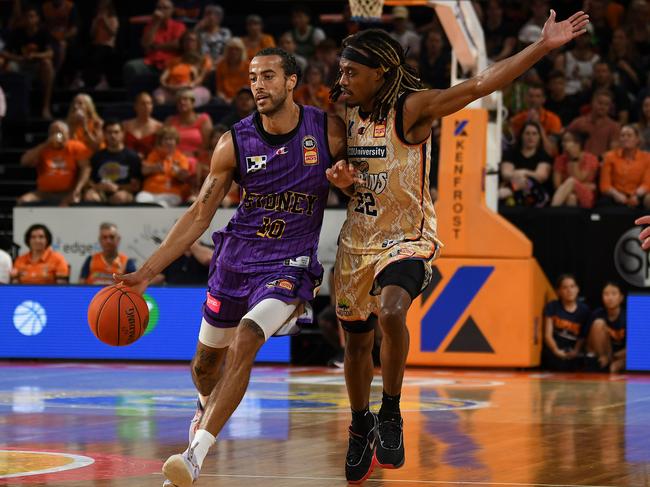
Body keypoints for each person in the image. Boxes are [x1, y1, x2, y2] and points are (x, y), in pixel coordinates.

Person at [324, 10, 588, 482]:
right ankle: (360, 423)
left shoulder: (412, 107)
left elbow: (478, 85)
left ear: (380, 72)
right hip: (356, 243)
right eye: (340, 71)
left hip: (408, 238)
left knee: (390, 312)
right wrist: (342, 181)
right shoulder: (343, 114)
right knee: (357, 345)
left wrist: (542, 47)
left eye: (351, 72)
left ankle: (390, 413)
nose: (341, 79)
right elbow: (353, 182)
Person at [114, 47, 346, 487]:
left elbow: (361, 184)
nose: (257, 84)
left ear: (292, 81)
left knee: (249, 336)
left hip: (290, 263)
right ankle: (207, 403)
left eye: (268, 76)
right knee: (204, 366)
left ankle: (194, 454)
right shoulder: (233, 141)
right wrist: (145, 273)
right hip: (236, 262)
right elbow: (199, 215)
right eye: (253, 77)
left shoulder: (325, 130)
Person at [18, 120, 92, 206]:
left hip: (67, 192)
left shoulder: (76, 147)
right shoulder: (43, 148)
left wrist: (77, 189)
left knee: (72, 202)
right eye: (53, 132)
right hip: (44, 193)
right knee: (23, 201)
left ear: (68, 134)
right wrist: (46, 144)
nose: (57, 136)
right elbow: (24, 161)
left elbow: (86, 168)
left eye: (60, 132)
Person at [0, 6, 55, 119]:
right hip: (21, 64)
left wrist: (35, 55)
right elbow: (4, 52)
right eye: (27, 17)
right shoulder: (17, 32)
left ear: (37, 19)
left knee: (48, 65)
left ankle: (45, 106)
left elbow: (50, 53)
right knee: (7, 65)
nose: (29, 19)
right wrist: (18, 58)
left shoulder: (43, 33)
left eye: (32, 16)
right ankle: (9, 105)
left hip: (36, 65)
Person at [122, 0, 186, 90]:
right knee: (131, 67)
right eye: (159, 8)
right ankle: (133, 100)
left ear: (172, 11)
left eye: (165, 8)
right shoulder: (150, 26)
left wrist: (155, 47)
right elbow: (145, 44)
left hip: (171, 62)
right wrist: (156, 23)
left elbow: (177, 44)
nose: (161, 10)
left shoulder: (179, 26)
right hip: (152, 61)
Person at [83, 120, 142, 205]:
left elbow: (136, 186)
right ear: (104, 134)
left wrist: (118, 187)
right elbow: (89, 182)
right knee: (90, 196)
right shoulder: (97, 156)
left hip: (124, 193)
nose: (113, 136)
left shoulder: (132, 157)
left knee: (119, 197)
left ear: (122, 134)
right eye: (109, 132)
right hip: (100, 192)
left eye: (116, 132)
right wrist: (98, 187)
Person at [542, 274, 591, 371]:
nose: (569, 290)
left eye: (572, 286)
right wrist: (556, 350)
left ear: (577, 289)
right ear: (558, 291)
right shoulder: (552, 307)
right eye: (565, 287)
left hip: (574, 354)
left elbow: (583, 336)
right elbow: (547, 335)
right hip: (555, 351)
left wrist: (576, 351)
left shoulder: (584, 310)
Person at [499, 121, 552, 207]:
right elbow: (505, 174)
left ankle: (510, 190)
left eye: (534, 134)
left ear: (539, 137)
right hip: (515, 194)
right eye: (527, 133)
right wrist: (520, 176)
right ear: (521, 136)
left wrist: (524, 172)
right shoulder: (511, 153)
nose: (531, 137)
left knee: (529, 182)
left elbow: (541, 177)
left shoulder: (543, 156)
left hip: (536, 195)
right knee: (522, 181)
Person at [136, 125, 191, 207]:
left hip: (171, 193)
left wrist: (178, 173)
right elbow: (144, 171)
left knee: (161, 205)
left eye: (171, 139)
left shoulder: (181, 158)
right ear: (160, 142)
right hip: (150, 192)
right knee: (140, 199)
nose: (168, 142)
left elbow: (184, 177)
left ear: (176, 141)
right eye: (166, 139)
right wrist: (154, 168)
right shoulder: (154, 154)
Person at [153, 30, 212, 106]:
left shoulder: (205, 60)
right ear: (182, 43)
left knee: (189, 99)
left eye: (192, 40)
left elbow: (200, 78)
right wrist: (168, 87)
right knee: (159, 98)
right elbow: (163, 78)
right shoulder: (174, 61)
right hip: (171, 89)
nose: (189, 43)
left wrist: (187, 86)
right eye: (186, 40)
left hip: (192, 89)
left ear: (198, 43)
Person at [598, 125, 650, 209]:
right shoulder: (609, 156)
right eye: (622, 135)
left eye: (629, 135)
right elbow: (605, 185)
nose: (625, 138)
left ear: (637, 139)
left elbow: (647, 184)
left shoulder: (647, 158)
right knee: (603, 203)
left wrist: (635, 195)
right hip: (614, 195)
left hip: (638, 195)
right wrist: (617, 195)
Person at [165, 88, 213, 169]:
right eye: (179, 100)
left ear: (193, 102)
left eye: (185, 99)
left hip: (197, 159)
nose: (182, 102)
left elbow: (208, 145)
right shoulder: (170, 121)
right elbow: (161, 142)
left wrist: (194, 154)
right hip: (173, 159)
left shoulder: (204, 119)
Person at [551, 130, 599, 208]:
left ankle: (551, 212)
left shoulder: (590, 158)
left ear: (577, 144)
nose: (563, 144)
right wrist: (586, 185)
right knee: (571, 198)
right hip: (567, 194)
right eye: (563, 141)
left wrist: (574, 159)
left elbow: (580, 178)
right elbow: (557, 185)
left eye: (567, 141)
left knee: (571, 181)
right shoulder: (560, 159)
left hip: (588, 197)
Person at [567, 89, 621, 158]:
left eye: (606, 104)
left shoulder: (614, 126)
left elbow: (614, 151)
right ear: (592, 102)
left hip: (602, 164)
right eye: (600, 103)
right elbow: (566, 141)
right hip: (579, 162)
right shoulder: (579, 123)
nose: (603, 107)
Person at [509, 85, 561, 155]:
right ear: (526, 98)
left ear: (543, 99)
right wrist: (526, 123)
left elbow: (551, 151)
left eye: (538, 96)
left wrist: (537, 124)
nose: (534, 100)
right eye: (531, 96)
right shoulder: (517, 120)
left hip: (545, 158)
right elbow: (513, 147)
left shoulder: (553, 119)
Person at [587, 281, 626, 373]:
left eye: (614, 294)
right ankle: (602, 362)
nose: (610, 298)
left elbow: (635, 347)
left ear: (621, 298)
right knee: (598, 323)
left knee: (614, 367)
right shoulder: (596, 314)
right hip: (604, 354)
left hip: (621, 355)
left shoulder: (629, 316)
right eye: (606, 294)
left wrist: (614, 357)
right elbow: (588, 344)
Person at [123, 92, 163, 160]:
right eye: (143, 103)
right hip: (127, 161)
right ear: (136, 106)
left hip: (151, 163)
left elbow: (161, 150)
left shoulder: (159, 127)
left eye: (149, 103)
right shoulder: (125, 125)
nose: (146, 106)